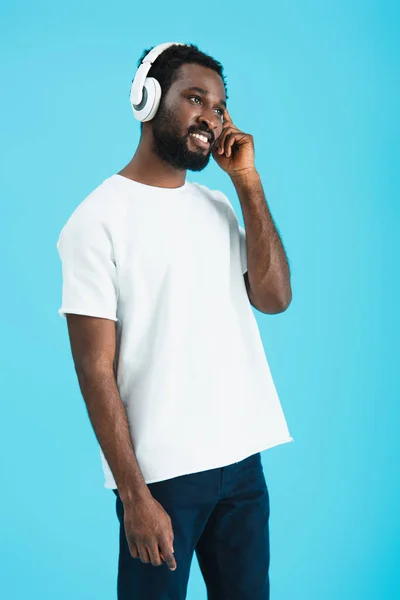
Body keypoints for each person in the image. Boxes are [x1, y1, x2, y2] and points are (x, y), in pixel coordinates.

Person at [56, 41, 293, 600]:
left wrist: (247, 184)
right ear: (147, 100)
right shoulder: (96, 222)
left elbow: (275, 297)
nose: (210, 118)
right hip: (162, 478)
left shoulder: (217, 206)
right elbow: (95, 370)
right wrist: (135, 497)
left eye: (218, 106)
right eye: (194, 99)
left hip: (241, 463)